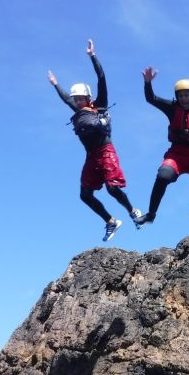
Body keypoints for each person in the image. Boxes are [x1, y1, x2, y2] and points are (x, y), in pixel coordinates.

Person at [47, 39, 141, 242]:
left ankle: (132, 211)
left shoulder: (99, 105)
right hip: (91, 156)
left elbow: (101, 78)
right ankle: (110, 221)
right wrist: (56, 85)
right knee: (85, 195)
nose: (78, 102)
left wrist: (92, 56)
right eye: (77, 99)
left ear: (88, 97)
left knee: (112, 188)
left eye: (81, 98)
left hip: (105, 151)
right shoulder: (79, 111)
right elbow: (66, 98)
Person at [134, 68, 189, 226]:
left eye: (187, 95)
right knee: (162, 177)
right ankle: (151, 214)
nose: (184, 99)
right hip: (176, 154)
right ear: (177, 97)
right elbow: (151, 98)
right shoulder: (171, 108)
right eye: (181, 96)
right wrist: (147, 83)